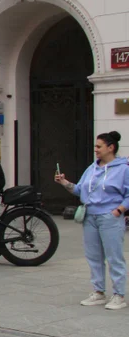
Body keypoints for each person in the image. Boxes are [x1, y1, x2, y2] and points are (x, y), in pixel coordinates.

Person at [56, 131, 129, 310]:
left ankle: (119, 294)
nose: (95, 150)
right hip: (90, 216)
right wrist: (64, 183)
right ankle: (99, 292)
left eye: (99, 146)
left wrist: (119, 210)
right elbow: (80, 190)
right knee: (94, 256)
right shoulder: (92, 168)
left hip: (110, 217)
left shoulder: (124, 168)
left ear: (110, 148)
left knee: (114, 257)